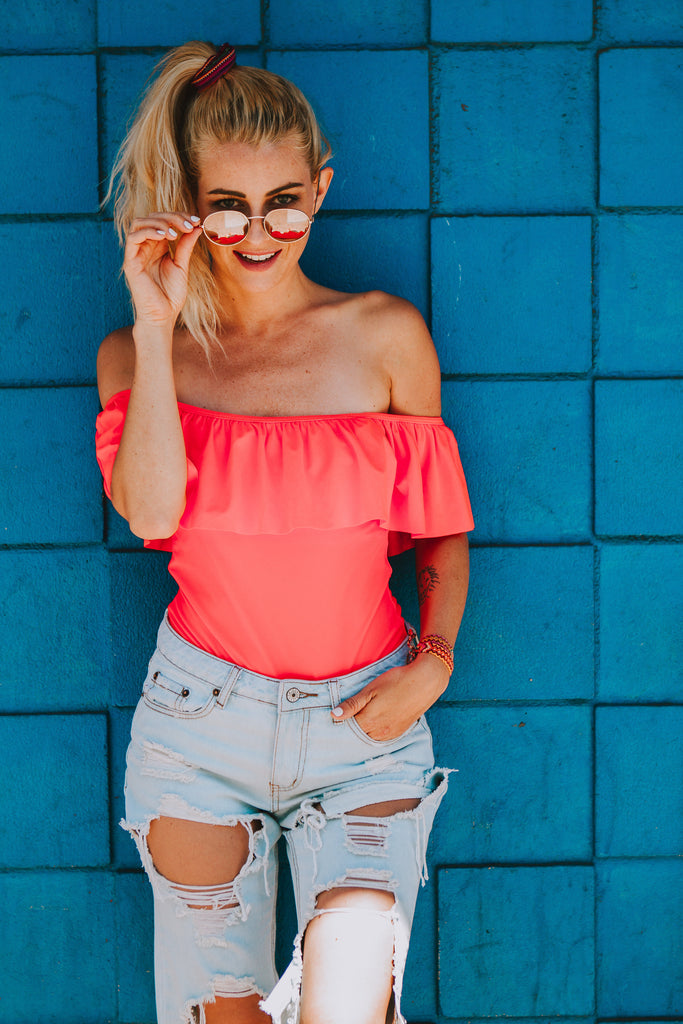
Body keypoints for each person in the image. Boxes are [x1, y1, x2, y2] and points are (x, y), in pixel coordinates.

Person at [96, 40, 473, 1024]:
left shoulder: (384, 336)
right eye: (226, 204)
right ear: (186, 202)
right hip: (196, 730)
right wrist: (152, 323)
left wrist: (432, 660)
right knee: (218, 1014)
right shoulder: (140, 357)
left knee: (349, 1007)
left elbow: (437, 535)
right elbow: (150, 512)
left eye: (283, 202)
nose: (258, 232)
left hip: (364, 723)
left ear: (321, 186)